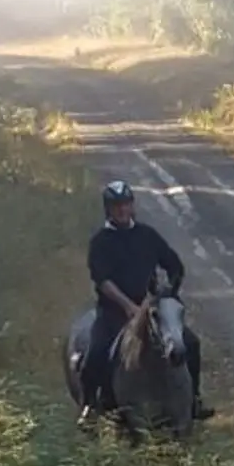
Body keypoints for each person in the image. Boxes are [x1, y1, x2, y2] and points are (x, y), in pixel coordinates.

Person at [83, 180, 215, 424]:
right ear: (108, 209)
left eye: (126, 205)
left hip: (153, 310)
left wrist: (166, 294)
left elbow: (174, 266)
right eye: (116, 206)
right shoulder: (101, 241)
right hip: (115, 312)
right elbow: (103, 281)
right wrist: (129, 306)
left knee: (191, 344)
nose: (122, 210)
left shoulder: (147, 235)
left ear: (132, 206)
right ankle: (93, 405)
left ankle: (194, 399)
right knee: (96, 352)